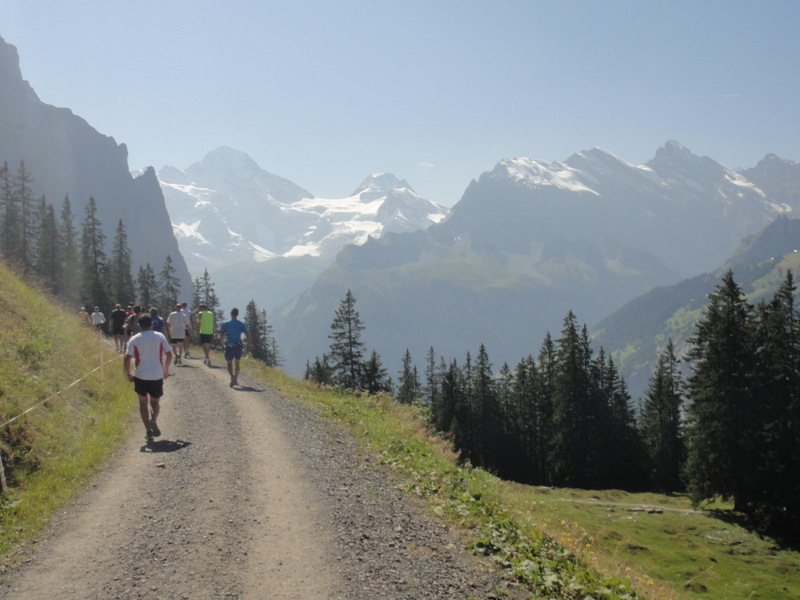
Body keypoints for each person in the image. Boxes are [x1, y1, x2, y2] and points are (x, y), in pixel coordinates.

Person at [124, 313, 172, 444]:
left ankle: (148, 432)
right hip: (156, 374)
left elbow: (127, 358)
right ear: (152, 324)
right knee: (155, 403)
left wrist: (129, 374)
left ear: (139, 326)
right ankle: (154, 420)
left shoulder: (135, 339)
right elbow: (169, 354)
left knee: (143, 403)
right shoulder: (160, 336)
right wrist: (166, 368)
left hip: (141, 375)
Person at [218, 307, 251, 387]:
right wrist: (250, 343)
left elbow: (221, 333)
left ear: (231, 314)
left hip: (229, 346)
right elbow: (247, 333)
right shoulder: (241, 324)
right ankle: (235, 378)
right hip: (238, 346)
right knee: (237, 363)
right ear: (237, 314)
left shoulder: (226, 324)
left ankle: (232, 377)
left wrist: (222, 341)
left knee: (229, 364)